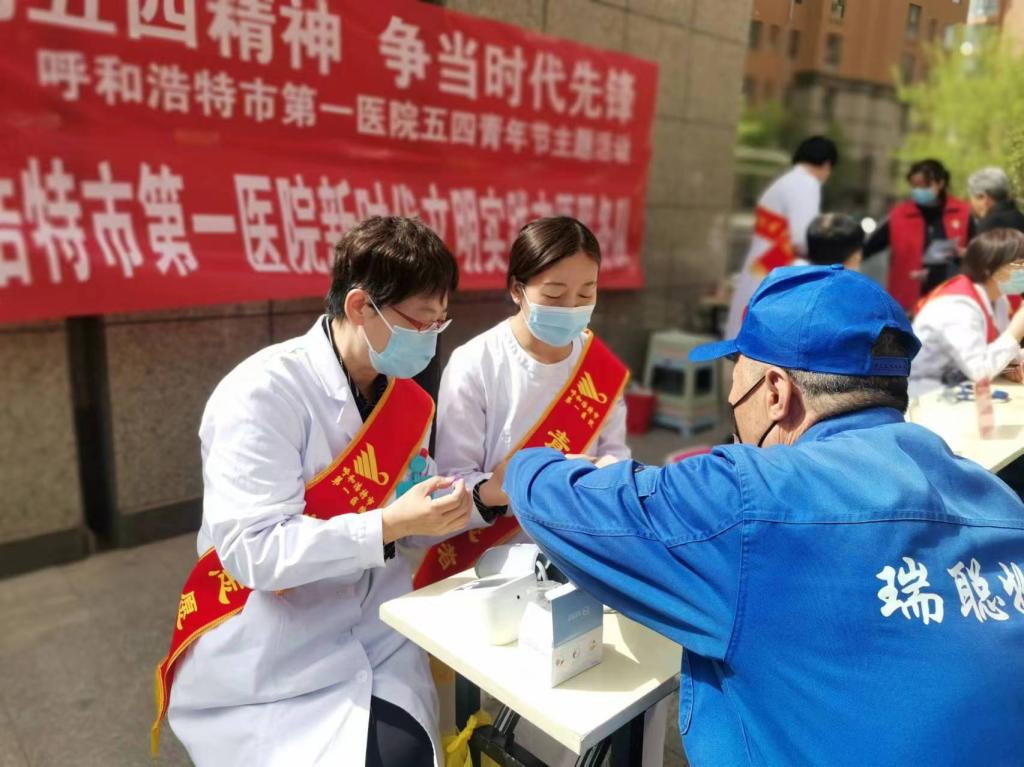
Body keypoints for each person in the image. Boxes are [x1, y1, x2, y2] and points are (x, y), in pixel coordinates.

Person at [503, 265, 1024, 767]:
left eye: (736, 378)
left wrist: (536, 462)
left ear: (775, 392)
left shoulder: (750, 499)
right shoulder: (999, 500)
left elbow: (556, 502)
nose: (732, 399)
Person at [153, 216, 476, 767]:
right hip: (271, 648)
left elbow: (407, 522)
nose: (430, 339)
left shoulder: (408, 402)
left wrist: (447, 508)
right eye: (420, 322)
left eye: (439, 323)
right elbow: (254, 549)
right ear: (361, 306)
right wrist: (389, 524)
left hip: (377, 632)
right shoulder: (261, 394)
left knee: (408, 752)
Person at [420, 217, 663, 766]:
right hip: (489, 558)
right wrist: (511, 486)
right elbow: (453, 482)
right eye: (554, 295)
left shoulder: (599, 369)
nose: (571, 308)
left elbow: (616, 454)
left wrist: (605, 474)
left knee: (604, 695)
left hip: (579, 546)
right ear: (517, 290)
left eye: (586, 294)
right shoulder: (476, 364)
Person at [724, 135, 838, 337]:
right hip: (777, 265)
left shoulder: (786, 181)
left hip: (762, 264)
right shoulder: (806, 184)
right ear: (827, 165)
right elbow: (803, 238)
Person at [910, 227, 1024, 395]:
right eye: (1019, 265)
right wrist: (1018, 326)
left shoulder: (998, 299)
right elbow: (980, 371)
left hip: (958, 389)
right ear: (989, 269)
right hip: (926, 393)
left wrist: (1012, 365)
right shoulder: (957, 305)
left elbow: (993, 350)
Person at [863, 158, 973, 310]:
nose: (918, 191)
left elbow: (980, 253)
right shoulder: (899, 215)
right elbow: (866, 248)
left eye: (924, 186)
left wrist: (965, 254)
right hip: (906, 302)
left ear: (940, 183)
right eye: (914, 186)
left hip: (951, 300)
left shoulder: (963, 213)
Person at [969, 166, 1024, 235]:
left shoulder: (988, 227)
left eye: (973, 198)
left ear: (983, 197)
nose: (971, 204)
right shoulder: (1019, 217)